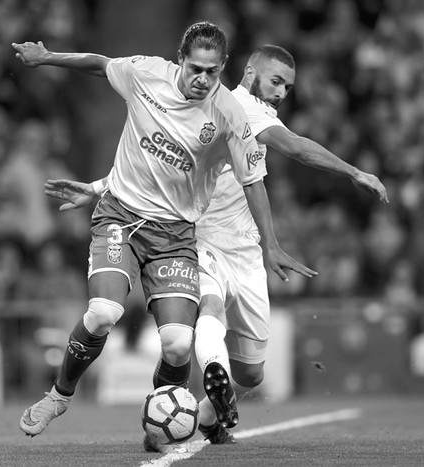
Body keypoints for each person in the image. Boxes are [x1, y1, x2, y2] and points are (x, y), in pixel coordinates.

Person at [44, 44, 388, 445]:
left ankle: (210, 414)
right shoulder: (239, 109)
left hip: (245, 251)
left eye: (288, 87)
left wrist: (97, 185)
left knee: (253, 374)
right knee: (206, 309)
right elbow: (295, 147)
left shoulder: (233, 112)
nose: (280, 92)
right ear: (248, 73)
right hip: (201, 239)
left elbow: (169, 163)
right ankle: (210, 372)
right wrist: (352, 171)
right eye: (275, 81)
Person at [11, 24, 315, 451]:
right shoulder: (146, 73)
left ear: (224, 67)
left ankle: (157, 425)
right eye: (195, 69)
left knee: (176, 345)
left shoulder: (229, 114)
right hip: (120, 214)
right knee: (104, 311)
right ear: (179, 59)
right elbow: (100, 65)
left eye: (212, 71)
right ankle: (57, 397)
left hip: (174, 234)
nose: (202, 79)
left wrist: (270, 244)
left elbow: (253, 182)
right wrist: (48, 58)